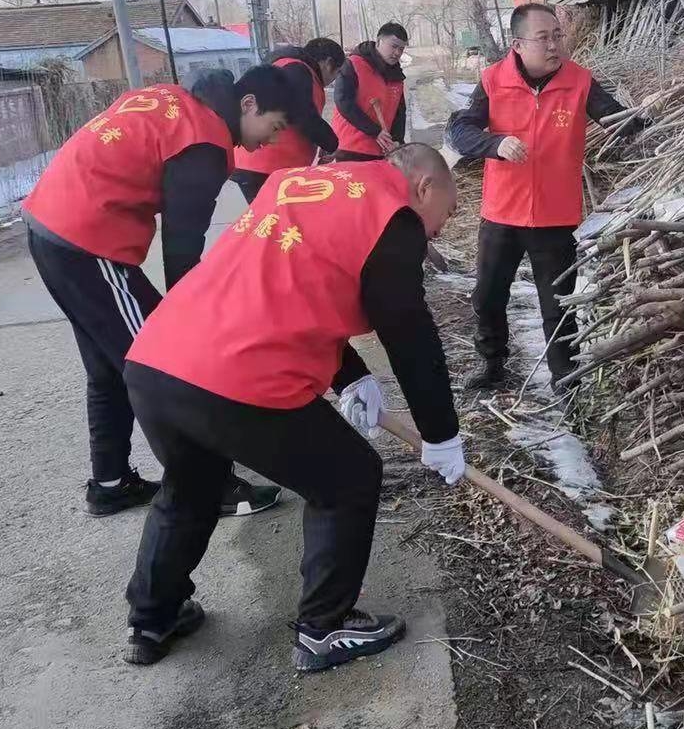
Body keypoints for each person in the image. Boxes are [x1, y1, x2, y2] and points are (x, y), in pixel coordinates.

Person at [118, 144, 467, 672]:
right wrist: (441, 433)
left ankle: (151, 617)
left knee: (191, 483)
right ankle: (324, 629)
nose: (444, 225)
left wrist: (352, 375)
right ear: (424, 188)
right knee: (347, 478)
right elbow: (410, 335)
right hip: (234, 374)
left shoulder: (303, 184)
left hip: (158, 360)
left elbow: (292, 283)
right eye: (450, 209)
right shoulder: (392, 220)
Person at [24, 66, 309, 519]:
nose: (269, 142)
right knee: (164, 366)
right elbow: (182, 249)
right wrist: (193, 322)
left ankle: (110, 483)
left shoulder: (175, 101)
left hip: (51, 224)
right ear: (248, 105)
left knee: (107, 365)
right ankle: (210, 486)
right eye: (273, 127)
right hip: (87, 239)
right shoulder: (204, 140)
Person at [447, 2, 635, 390]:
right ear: (518, 44)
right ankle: (494, 364)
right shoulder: (493, 80)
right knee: (487, 296)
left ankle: (565, 380)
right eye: (543, 38)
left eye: (557, 36)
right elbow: (460, 131)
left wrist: (647, 124)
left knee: (558, 305)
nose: (554, 46)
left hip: (555, 215)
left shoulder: (580, 82)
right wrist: (494, 144)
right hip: (501, 212)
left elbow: (620, 121)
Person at [229, 37, 346, 203]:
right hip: (266, 165)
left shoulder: (293, 69)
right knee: (276, 222)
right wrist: (330, 142)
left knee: (274, 221)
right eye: (337, 72)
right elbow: (303, 114)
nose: (334, 80)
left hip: (266, 165)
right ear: (328, 63)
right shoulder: (297, 68)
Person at [332, 22, 408, 161]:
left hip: (382, 150)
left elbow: (399, 112)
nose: (397, 53)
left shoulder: (397, 76)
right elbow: (343, 101)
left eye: (401, 49)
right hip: (350, 148)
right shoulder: (354, 64)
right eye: (394, 46)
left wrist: (398, 142)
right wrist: (375, 132)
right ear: (379, 41)